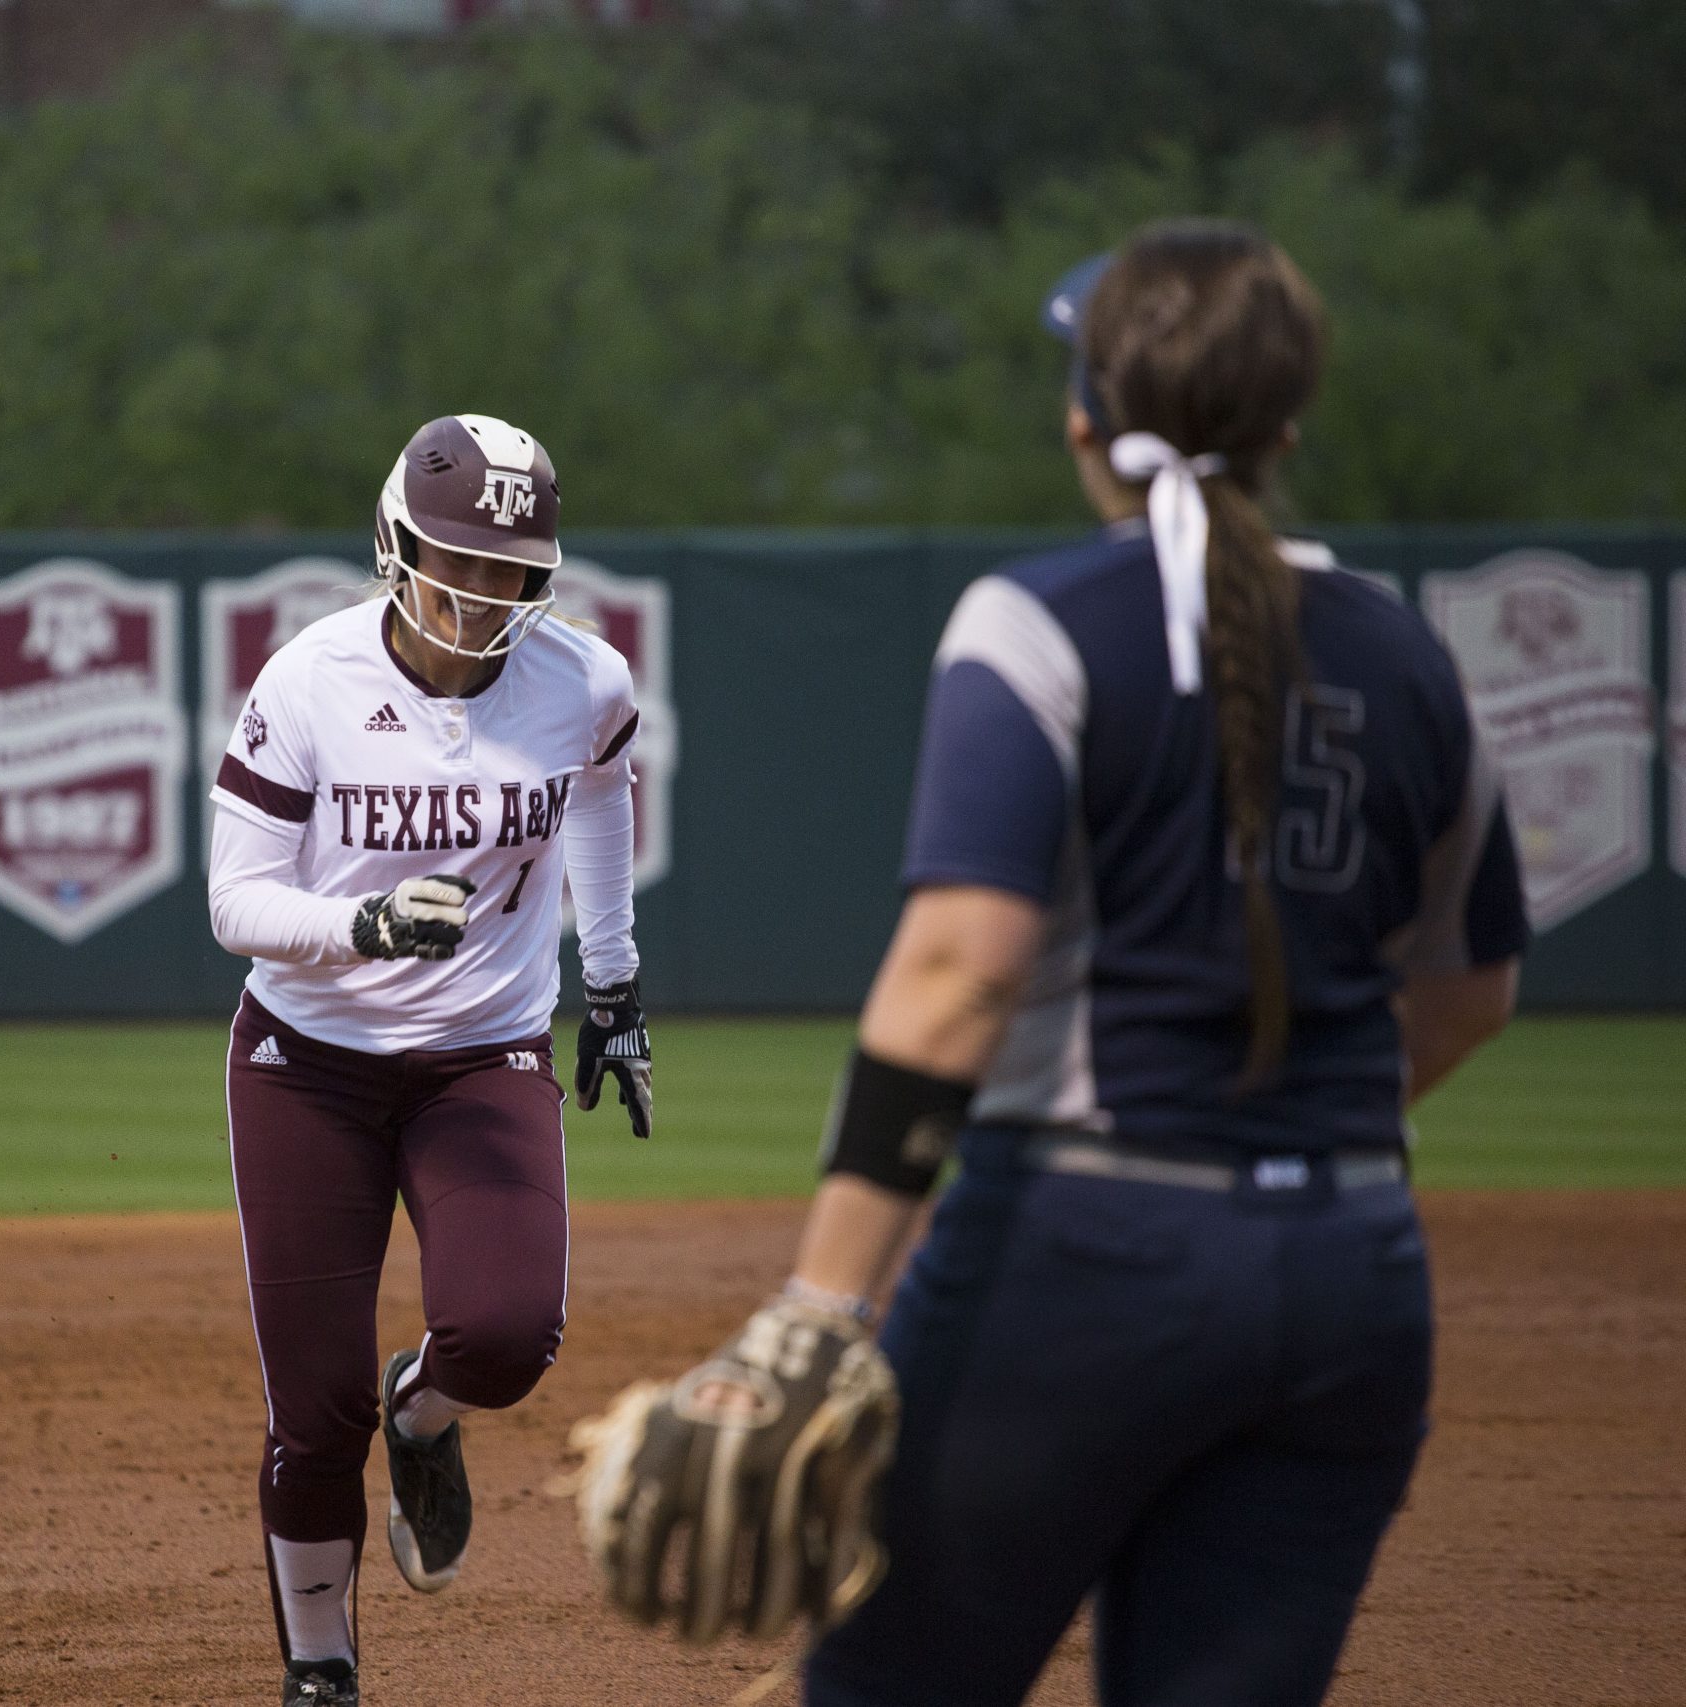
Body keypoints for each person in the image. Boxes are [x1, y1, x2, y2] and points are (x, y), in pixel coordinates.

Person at [586, 222, 1528, 1707]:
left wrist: (821, 1302)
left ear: (1084, 415)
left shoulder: (1038, 627)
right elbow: (1472, 992)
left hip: (1086, 1255)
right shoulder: (1408, 653)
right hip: (1355, 1274)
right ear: (1289, 423)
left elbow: (962, 969)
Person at [210, 413, 654, 1706]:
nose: (476, 595)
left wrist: (612, 981)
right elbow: (235, 903)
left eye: (506, 571)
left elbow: (601, 804)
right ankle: (322, 1669)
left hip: (481, 1052)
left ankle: (429, 1412)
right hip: (310, 1055)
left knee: (507, 1335)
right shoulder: (309, 681)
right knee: (315, 1406)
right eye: (452, 560)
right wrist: (360, 924)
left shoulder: (585, 682)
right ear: (396, 544)